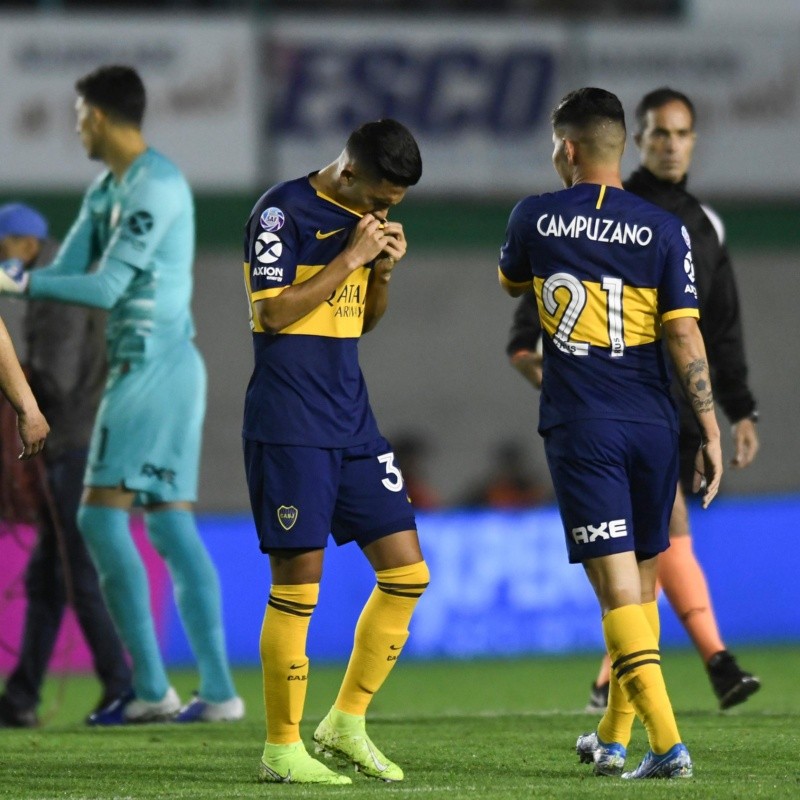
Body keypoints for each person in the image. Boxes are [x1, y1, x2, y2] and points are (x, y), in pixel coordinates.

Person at [0, 65, 242, 724]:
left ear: (99, 117)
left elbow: (104, 290)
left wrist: (17, 288)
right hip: (154, 372)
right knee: (165, 524)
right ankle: (216, 692)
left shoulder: (155, 186)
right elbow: (66, 268)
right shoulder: (107, 189)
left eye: (78, 116)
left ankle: (150, 689)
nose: (75, 127)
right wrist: (15, 273)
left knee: (99, 520)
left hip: (154, 369)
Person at [507, 86, 760, 712]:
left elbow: (718, 323)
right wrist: (714, 422)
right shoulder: (661, 226)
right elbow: (689, 330)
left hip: (615, 419)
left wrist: (740, 407)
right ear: (636, 140)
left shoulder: (552, 216)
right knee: (652, 560)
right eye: (660, 132)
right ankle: (694, 672)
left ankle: (659, 722)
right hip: (653, 413)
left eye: (682, 133)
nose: (671, 144)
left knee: (626, 579)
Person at [242, 118, 428, 784]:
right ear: (348, 172)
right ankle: (281, 748)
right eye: (377, 199)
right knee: (297, 588)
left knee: (407, 574)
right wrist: (349, 257)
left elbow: (361, 322)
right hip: (291, 422)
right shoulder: (280, 212)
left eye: (391, 208)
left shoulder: (362, 226)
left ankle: (345, 722)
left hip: (351, 418)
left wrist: (379, 273)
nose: (380, 213)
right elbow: (272, 313)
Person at [0, 203, 132, 728]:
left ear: (22, 243)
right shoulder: (72, 272)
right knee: (49, 578)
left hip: (76, 443)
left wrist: (19, 396)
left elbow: (54, 373)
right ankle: (22, 696)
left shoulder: (53, 286)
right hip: (90, 438)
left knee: (75, 571)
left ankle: (124, 687)